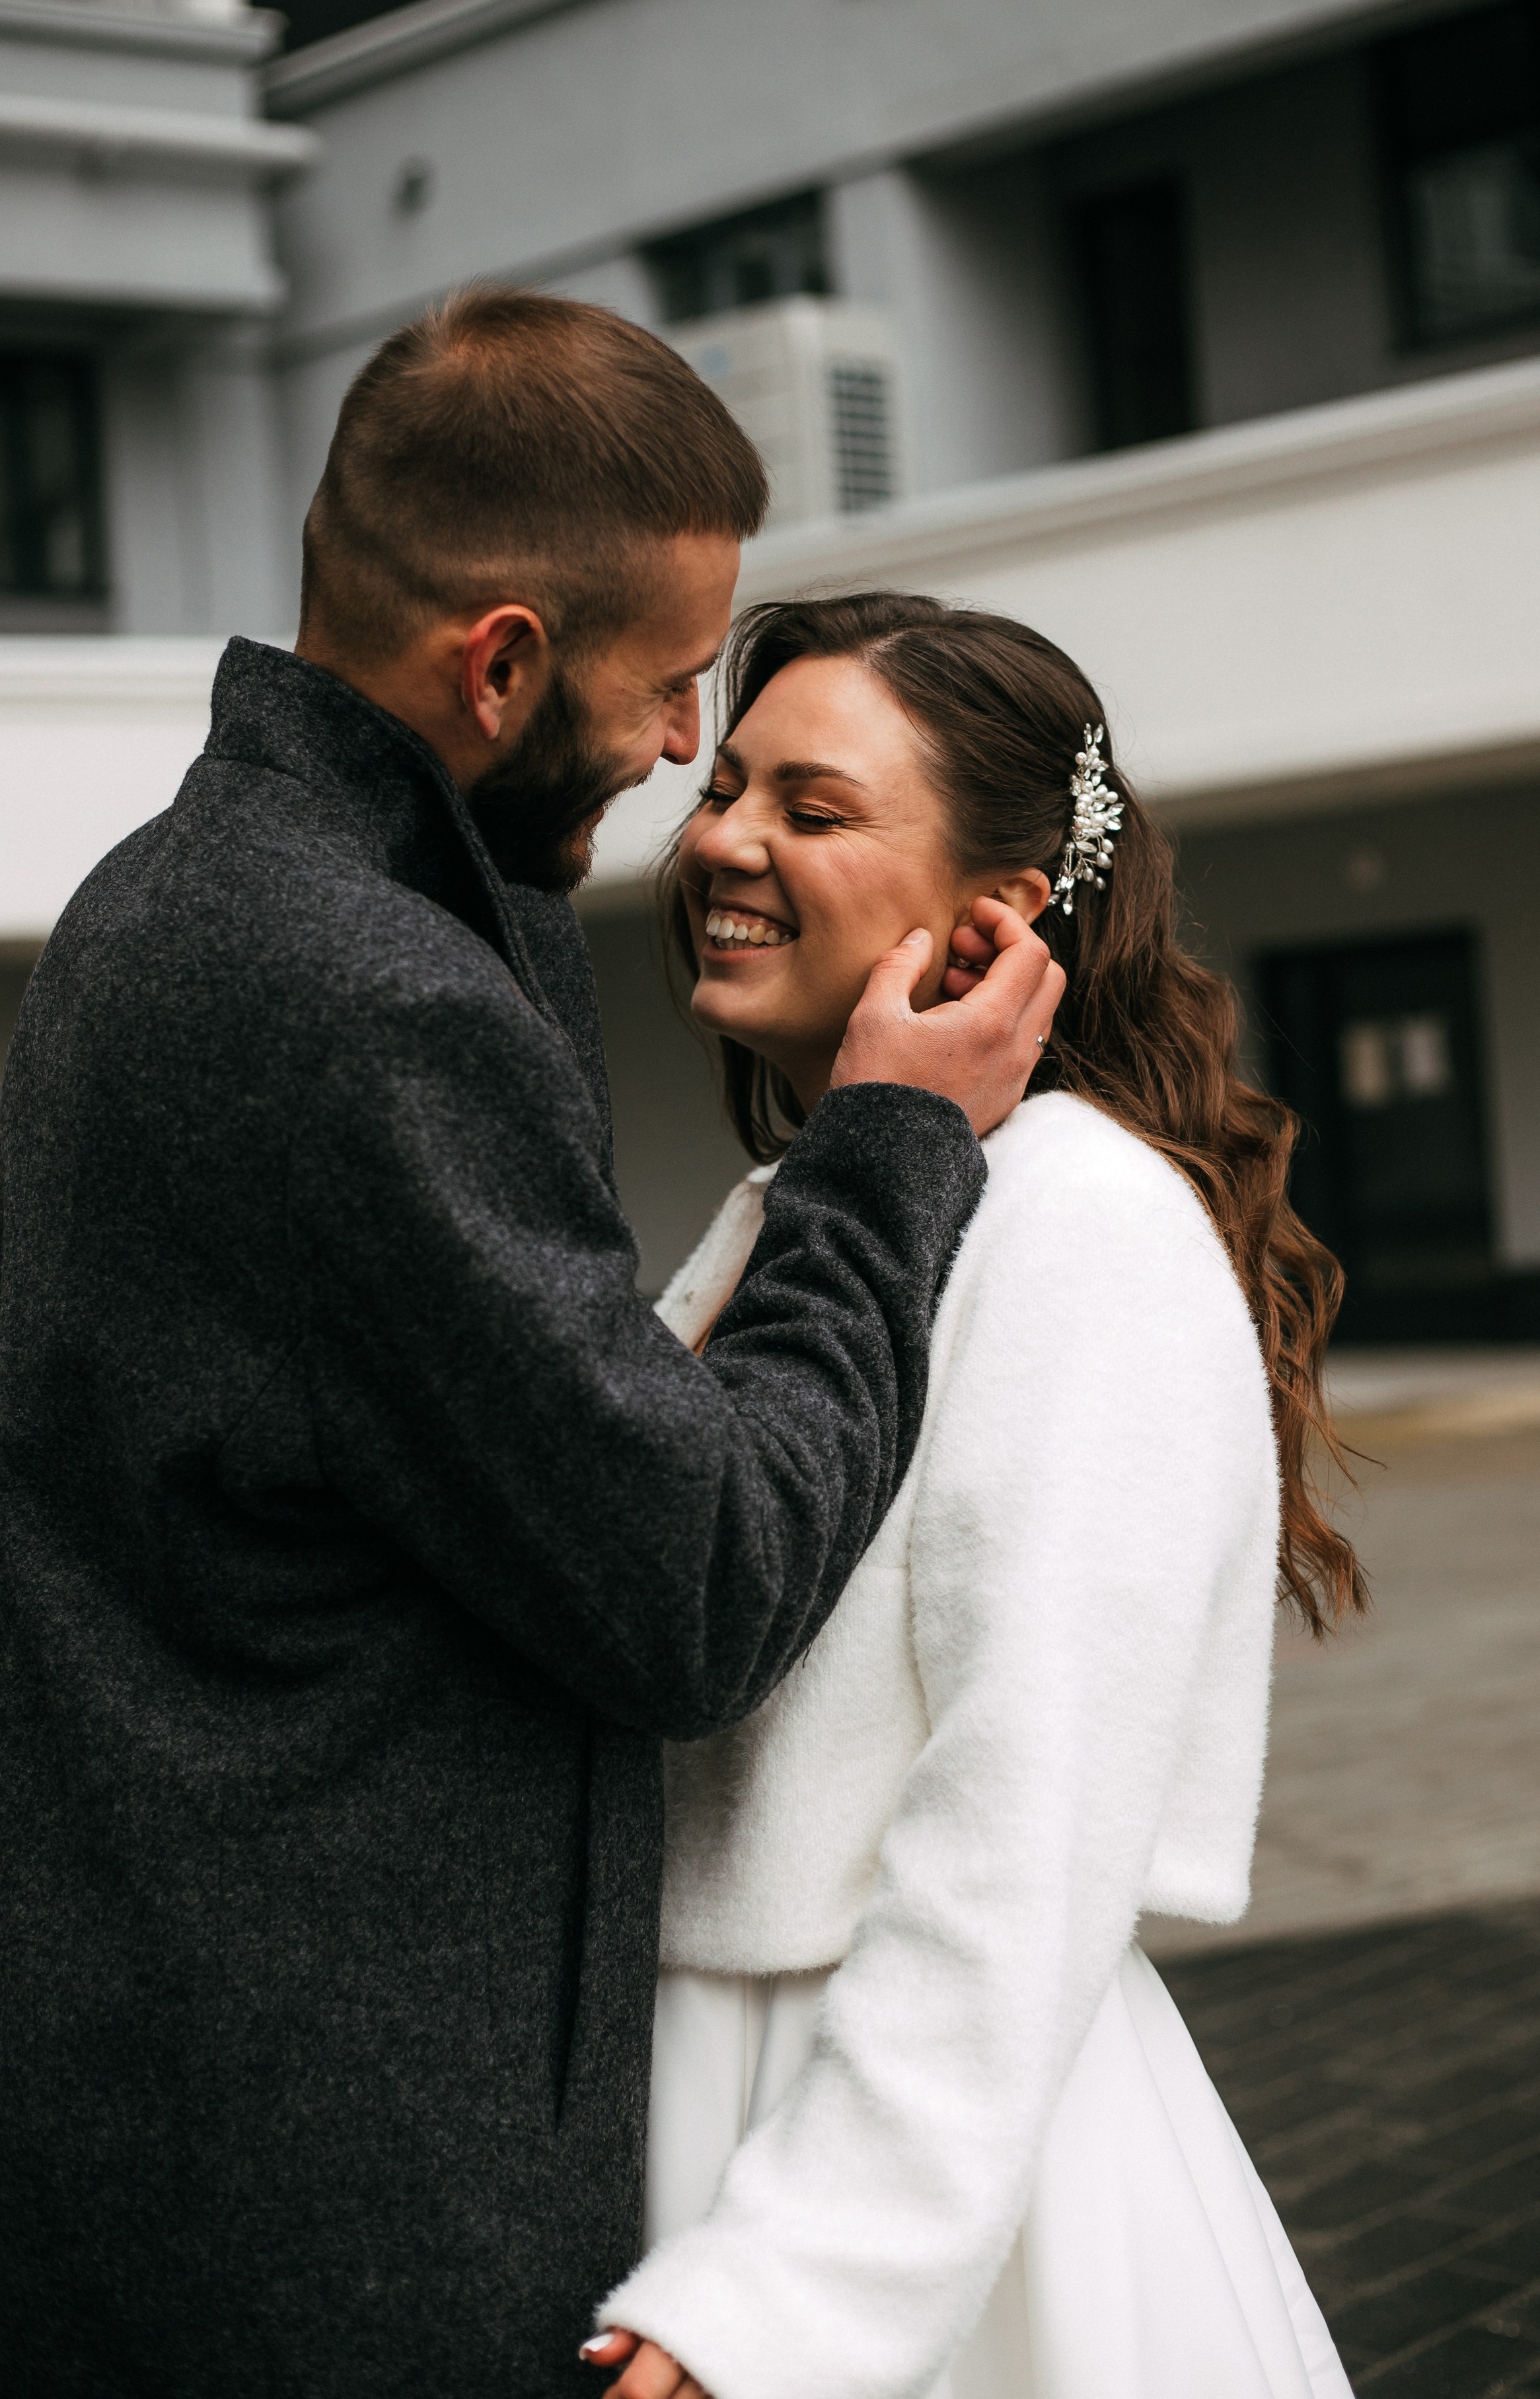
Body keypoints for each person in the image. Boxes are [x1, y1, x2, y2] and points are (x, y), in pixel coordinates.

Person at [0, 303, 1062, 2396]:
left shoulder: (168, 902)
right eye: (674, 686)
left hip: (167, 2091)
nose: (688, 753)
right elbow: (692, 1585)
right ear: (497, 663)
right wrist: (896, 1151)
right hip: (328, 2198)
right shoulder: (355, 1000)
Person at [585, 593, 1366, 2399]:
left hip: (899, 2161)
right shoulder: (792, 1210)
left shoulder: (1077, 1219)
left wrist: (791, 2297)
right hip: (703, 2098)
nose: (723, 840)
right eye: (724, 785)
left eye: (814, 806)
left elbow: (1031, 1823)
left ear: (998, 919)